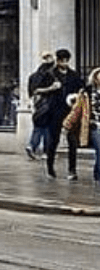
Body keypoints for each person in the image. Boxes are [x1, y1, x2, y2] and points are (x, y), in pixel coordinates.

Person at [44, 48, 83, 179]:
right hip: (54, 110)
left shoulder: (73, 75)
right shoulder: (50, 74)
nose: (64, 63)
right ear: (58, 60)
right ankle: (50, 168)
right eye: (62, 60)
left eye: (66, 60)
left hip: (70, 111)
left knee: (72, 141)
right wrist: (51, 88)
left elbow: (81, 88)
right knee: (53, 140)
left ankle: (72, 170)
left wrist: (77, 95)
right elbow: (37, 90)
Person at [26, 51, 57, 159]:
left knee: (39, 126)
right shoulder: (50, 74)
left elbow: (31, 92)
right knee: (47, 127)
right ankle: (45, 150)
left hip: (37, 105)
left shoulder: (34, 76)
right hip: (48, 103)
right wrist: (51, 88)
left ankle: (33, 146)